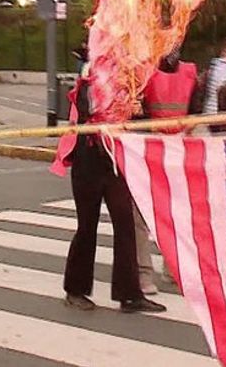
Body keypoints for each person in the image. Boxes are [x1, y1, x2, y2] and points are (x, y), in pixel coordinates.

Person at [63, 63, 166, 314]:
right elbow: (91, 112)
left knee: (126, 224)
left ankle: (129, 294)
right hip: (89, 159)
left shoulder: (129, 85)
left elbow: (142, 120)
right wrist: (122, 107)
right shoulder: (89, 80)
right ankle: (75, 290)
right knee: (87, 226)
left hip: (115, 161)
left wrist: (136, 110)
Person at [136, 49, 197, 293]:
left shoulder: (190, 72)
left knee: (178, 212)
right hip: (149, 147)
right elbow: (136, 112)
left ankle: (173, 268)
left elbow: (196, 109)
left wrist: (188, 128)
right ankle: (143, 273)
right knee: (142, 213)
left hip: (178, 148)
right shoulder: (144, 72)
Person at [199, 38, 226, 115]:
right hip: (215, 113)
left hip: (214, 112)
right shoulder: (221, 68)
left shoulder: (222, 67)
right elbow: (222, 89)